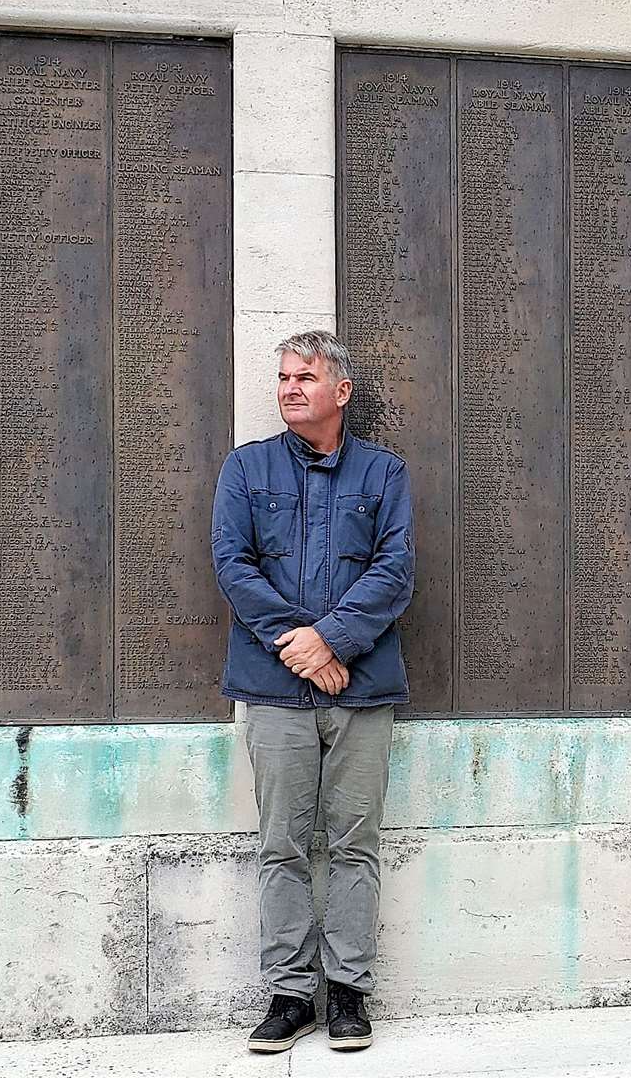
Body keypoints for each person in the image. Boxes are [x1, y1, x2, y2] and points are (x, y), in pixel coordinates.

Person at [210, 330, 414, 1053]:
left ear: (341, 391)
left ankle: (350, 992)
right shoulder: (246, 468)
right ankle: (291, 995)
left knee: (356, 844)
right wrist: (301, 648)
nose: (290, 388)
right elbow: (233, 566)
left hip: (362, 694)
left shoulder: (385, 475)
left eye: (305, 377)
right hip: (274, 692)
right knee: (283, 847)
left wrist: (332, 641)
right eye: (284, 377)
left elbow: (394, 573)